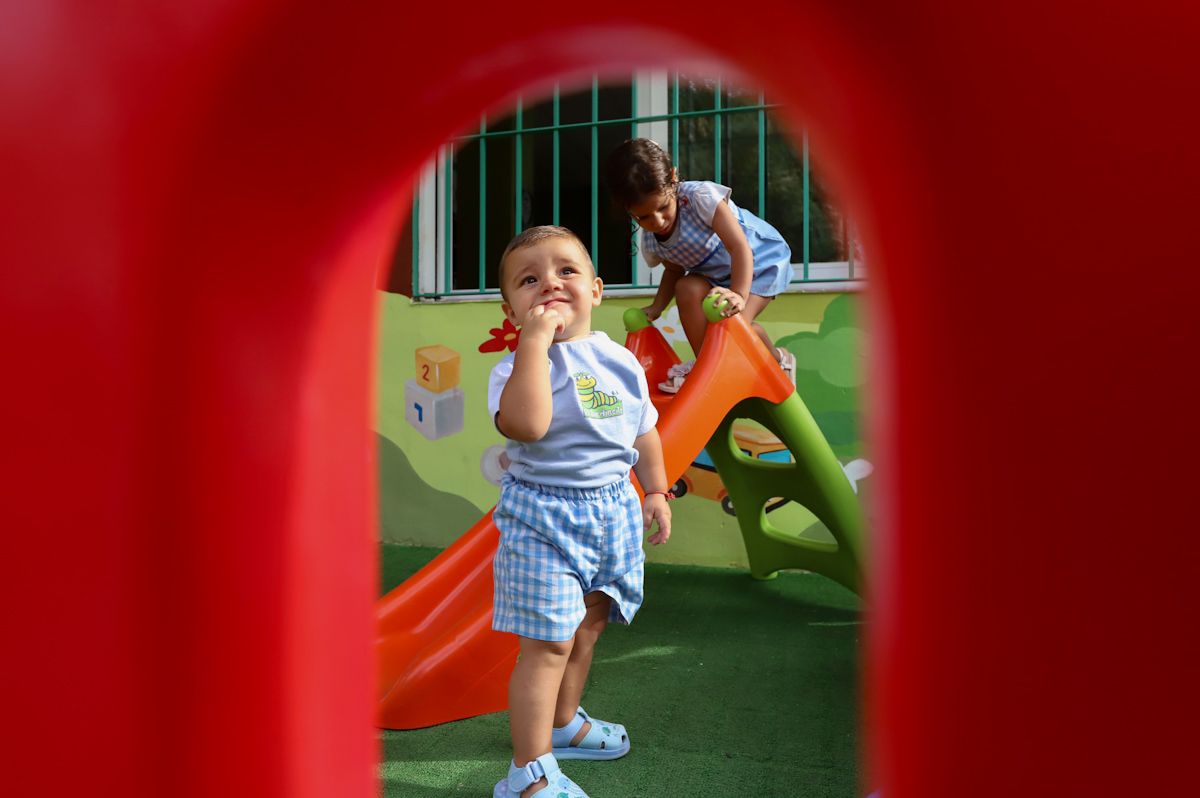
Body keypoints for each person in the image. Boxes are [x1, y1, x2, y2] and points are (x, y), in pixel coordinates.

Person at [488, 225, 673, 798]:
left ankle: (563, 724)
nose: (549, 283)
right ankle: (529, 771)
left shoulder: (621, 361)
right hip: (542, 519)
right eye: (529, 280)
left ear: (596, 290)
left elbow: (645, 434)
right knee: (547, 644)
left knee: (590, 626)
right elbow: (529, 426)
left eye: (565, 271)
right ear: (512, 309)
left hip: (613, 511)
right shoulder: (516, 369)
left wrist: (658, 491)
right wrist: (536, 347)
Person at [605, 137, 798, 393]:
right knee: (686, 287)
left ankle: (779, 359)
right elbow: (674, 270)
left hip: (759, 260)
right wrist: (658, 306)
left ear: (673, 179)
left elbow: (739, 247)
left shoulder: (700, 199)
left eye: (663, 207)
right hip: (720, 275)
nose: (658, 221)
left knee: (735, 324)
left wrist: (740, 294)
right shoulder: (653, 240)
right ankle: (707, 365)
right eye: (644, 217)